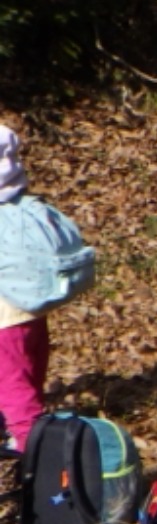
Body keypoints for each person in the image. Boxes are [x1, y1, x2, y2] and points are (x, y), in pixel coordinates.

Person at [0, 128, 60, 456]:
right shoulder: (17, 203)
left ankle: (35, 459)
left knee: (15, 392)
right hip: (30, 309)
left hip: (3, 321)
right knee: (29, 375)